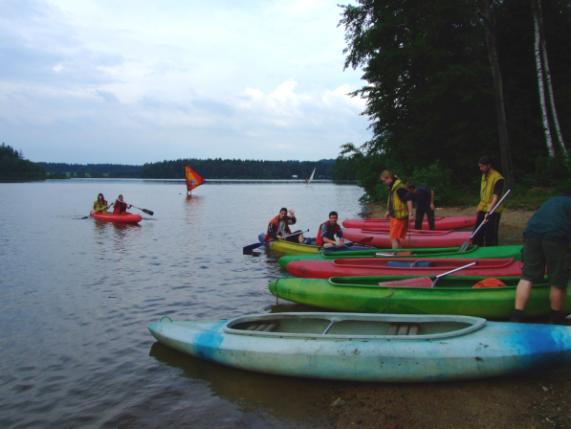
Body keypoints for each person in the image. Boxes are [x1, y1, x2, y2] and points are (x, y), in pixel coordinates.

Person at [511, 190, 571, 324]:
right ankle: (556, 317)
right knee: (558, 277)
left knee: (527, 276)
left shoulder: (552, 201)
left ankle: (517, 315)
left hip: (531, 234)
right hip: (555, 236)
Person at [474, 156, 504, 246]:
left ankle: (492, 253)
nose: (480, 169)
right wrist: (480, 207)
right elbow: (484, 194)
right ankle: (477, 250)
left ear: (489, 165)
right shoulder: (484, 176)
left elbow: (496, 197)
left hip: (493, 209)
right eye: (479, 166)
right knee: (477, 233)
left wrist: (489, 211)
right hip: (483, 207)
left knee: (490, 235)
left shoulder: (498, 178)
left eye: (482, 166)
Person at [380, 170, 413, 249]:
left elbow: (409, 200)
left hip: (400, 218)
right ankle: (399, 253)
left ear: (389, 178)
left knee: (393, 238)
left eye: (384, 181)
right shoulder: (392, 187)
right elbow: (393, 201)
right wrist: (388, 211)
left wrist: (411, 214)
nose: (384, 183)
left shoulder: (399, 188)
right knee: (396, 237)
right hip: (395, 216)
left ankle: (394, 255)